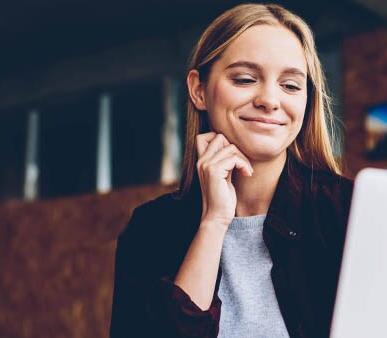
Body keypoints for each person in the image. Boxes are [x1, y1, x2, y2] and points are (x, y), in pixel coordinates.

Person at [110, 3, 354, 338]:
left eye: (291, 85)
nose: (270, 99)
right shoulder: (151, 230)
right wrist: (213, 222)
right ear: (199, 90)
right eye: (244, 79)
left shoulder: (350, 212)